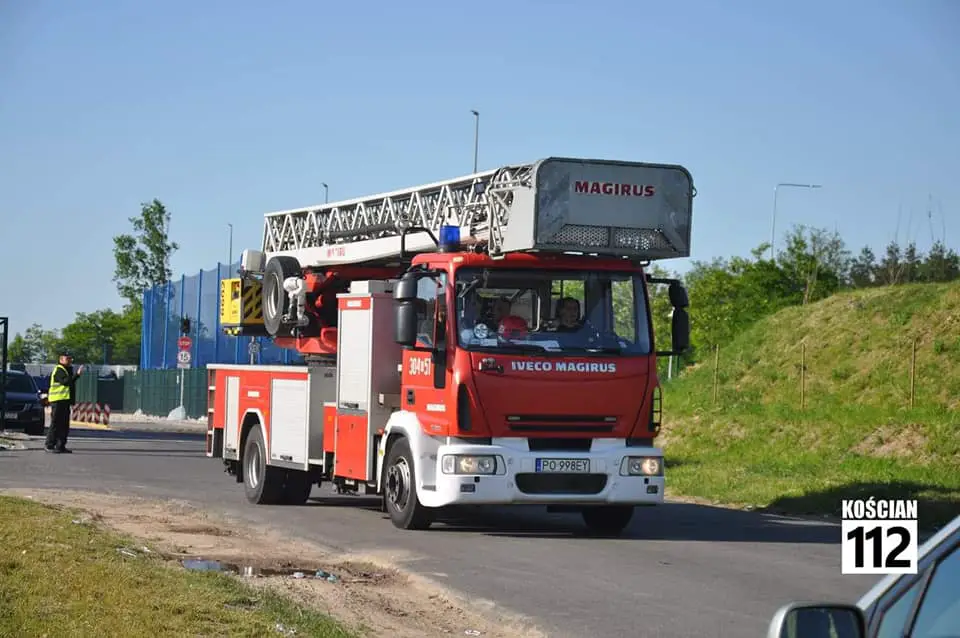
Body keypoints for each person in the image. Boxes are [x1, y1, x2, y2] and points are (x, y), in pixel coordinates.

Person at [45, 350, 83, 453]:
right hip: (57, 401)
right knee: (56, 424)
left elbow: (70, 383)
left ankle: (60, 446)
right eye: (67, 358)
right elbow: (65, 382)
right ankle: (49, 445)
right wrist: (77, 375)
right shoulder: (59, 369)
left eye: (70, 358)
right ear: (61, 359)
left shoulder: (67, 370)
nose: (69, 360)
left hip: (65, 401)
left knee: (64, 425)